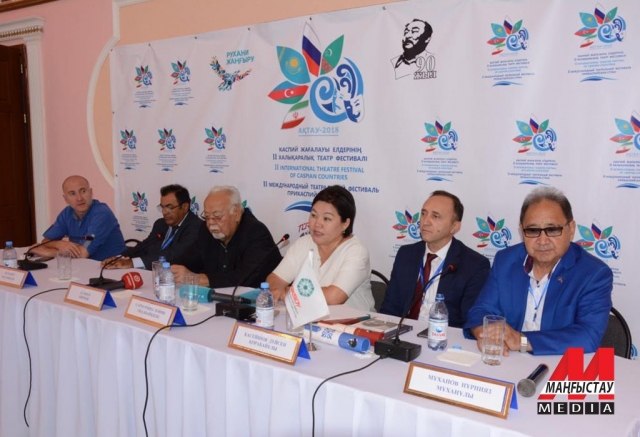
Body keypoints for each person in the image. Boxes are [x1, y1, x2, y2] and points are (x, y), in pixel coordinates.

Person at [464, 187, 613, 355]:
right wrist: (486, 333)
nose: (542, 241)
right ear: (521, 231)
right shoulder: (505, 261)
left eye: (553, 230)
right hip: (508, 359)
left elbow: (588, 336)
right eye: (533, 230)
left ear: (571, 229)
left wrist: (521, 341)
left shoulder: (593, 274)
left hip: (559, 363)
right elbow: (481, 310)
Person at [379, 191, 489, 327]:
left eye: (435, 216)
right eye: (423, 213)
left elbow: (469, 321)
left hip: (443, 335)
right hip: (402, 333)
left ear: (454, 227)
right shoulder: (406, 254)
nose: (425, 222)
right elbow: (390, 309)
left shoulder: (474, 265)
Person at [268, 185, 375, 312]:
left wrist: (290, 293)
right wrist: (278, 289)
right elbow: (275, 279)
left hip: (356, 322)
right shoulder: (303, 243)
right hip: (309, 318)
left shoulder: (356, 252)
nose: (317, 224)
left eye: (327, 219)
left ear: (345, 223)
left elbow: (334, 297)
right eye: (314, 215)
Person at [170, 186, 281, 288]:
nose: (211, 223)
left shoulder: (256, 233)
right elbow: (188, 260)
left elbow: (244, 278)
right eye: (207, 217)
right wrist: (173, 270)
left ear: (236, 213)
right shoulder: (205, 230)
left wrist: (197, 279)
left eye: (217, 217)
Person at [101, 184, 200, 270]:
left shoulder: (197, 227)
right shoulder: (160, 224)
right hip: (153, 275)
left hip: (180, 280)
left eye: (169, 207)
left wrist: (132, 263)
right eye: (162, 207)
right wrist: (119, 258)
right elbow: (143, 247)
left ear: (184, 207)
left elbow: (175, 254)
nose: (164, 212)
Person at [30, 175, 125, 261]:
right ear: (65, 199)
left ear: (91, 192)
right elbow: (45, 241)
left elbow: (82, 253)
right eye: (72, 194)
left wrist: (48, 252)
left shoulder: (102, 213)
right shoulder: (67, 213)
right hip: (83, 267)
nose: (79, 198)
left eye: (83, 191)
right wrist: (60, 244)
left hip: (111, 267)